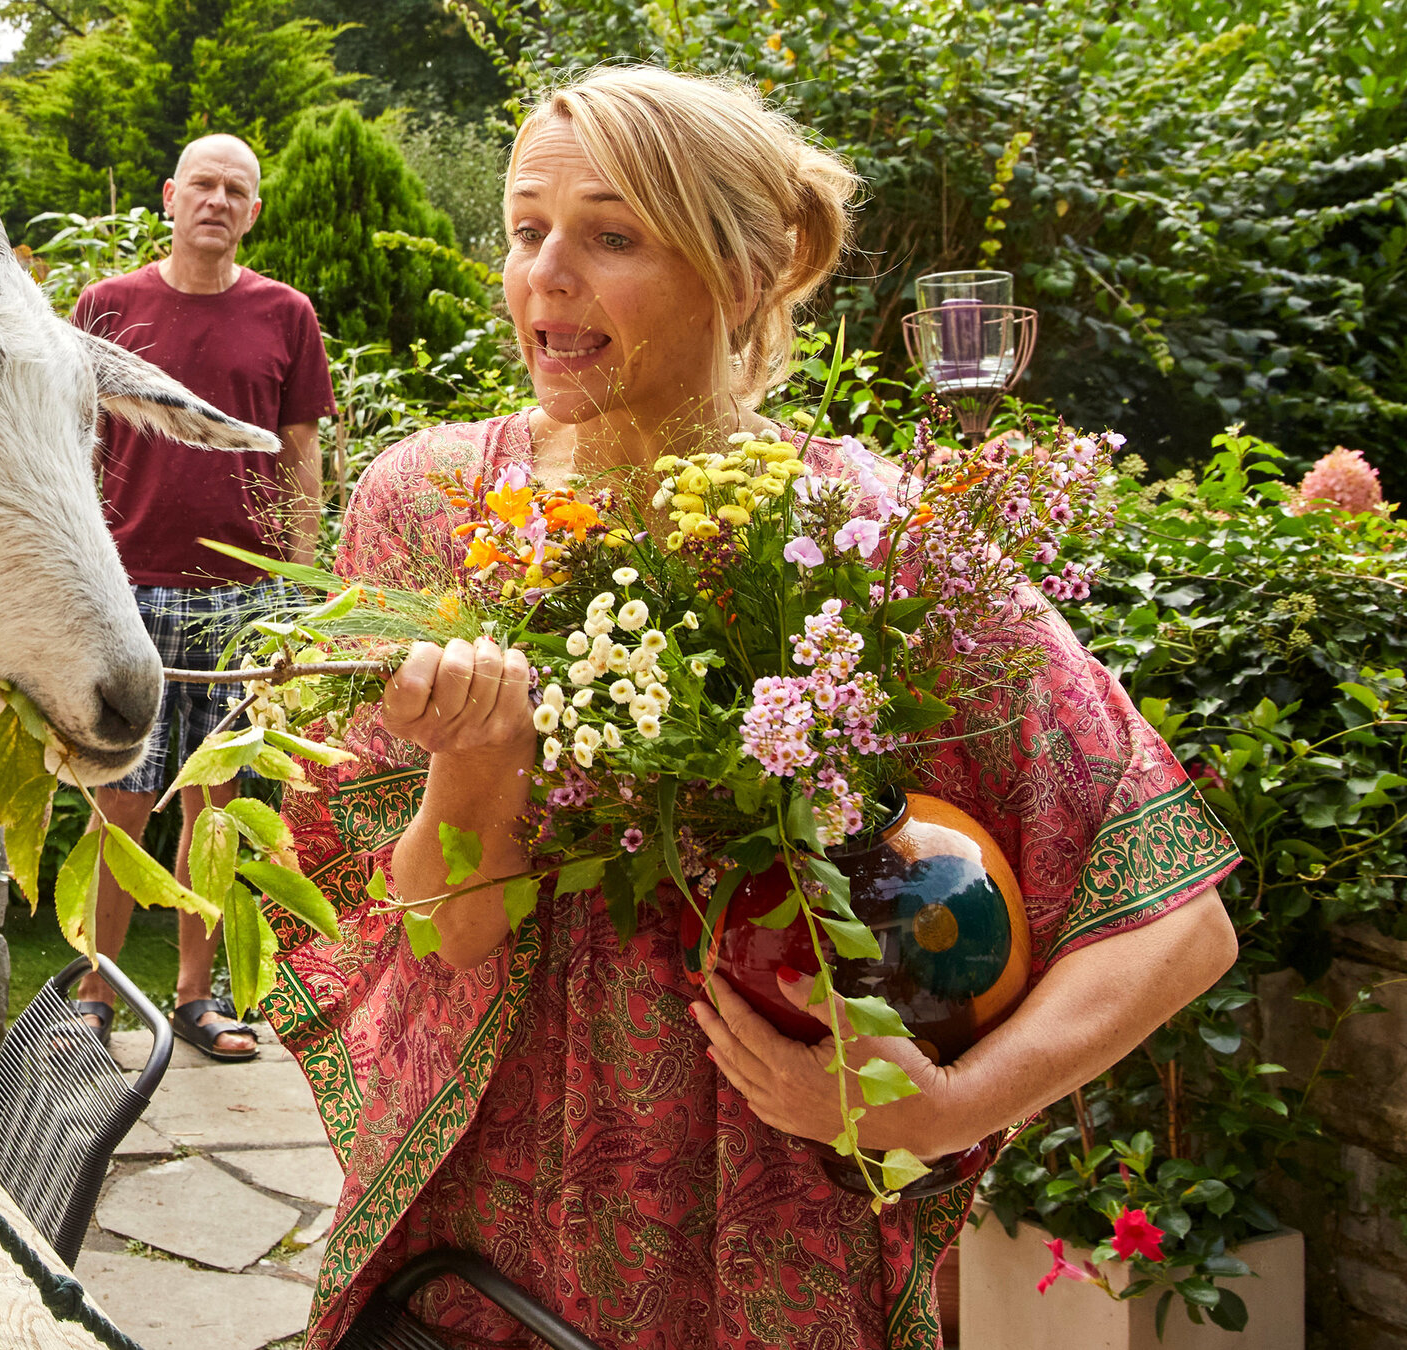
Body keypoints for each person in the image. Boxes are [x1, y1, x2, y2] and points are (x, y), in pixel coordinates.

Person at [259, 67, 1243, 1346]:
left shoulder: (859, 535)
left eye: (611, 235)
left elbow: (1178, 919)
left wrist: (947, 1104)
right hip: (483, 1232)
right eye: (525, 228)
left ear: (739, 276)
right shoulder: (431, 505)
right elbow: (441, 938)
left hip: (770, 1234)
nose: (546, 274)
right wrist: (479, 767)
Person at [70, 133, 337, 1061]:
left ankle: (194, 997)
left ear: (253, 211)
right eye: (205, 186)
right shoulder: (107, 307)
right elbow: (73, 446)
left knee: (214, 810)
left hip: (245, 601)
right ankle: (96, 992)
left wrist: (300, 583)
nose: (219, 202)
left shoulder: (285, 315)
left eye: (238, 190)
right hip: (126, 592)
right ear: (171, 196)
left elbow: (302, 455)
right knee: (122, 804)